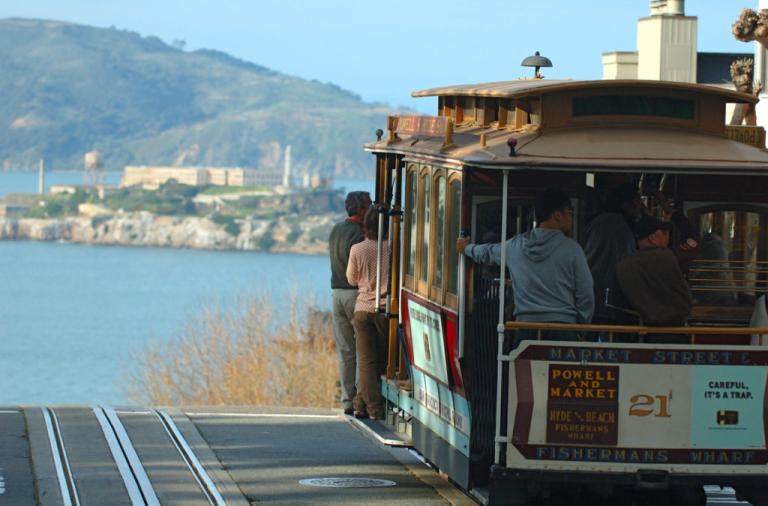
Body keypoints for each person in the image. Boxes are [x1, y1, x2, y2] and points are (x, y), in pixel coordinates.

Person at [457, 188, 594, 345]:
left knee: (522, 370)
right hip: (563, 330)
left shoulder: (516, 246)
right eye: (569, 213)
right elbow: (586, 294)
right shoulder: (573, 250)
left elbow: (487, 252)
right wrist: (581, 327)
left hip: (525, 329)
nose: (571, 219)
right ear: (557, 215)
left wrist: (466, 248)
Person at [328, 190, 371, 415]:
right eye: (369, 206)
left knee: (345, 352)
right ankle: (359, 401)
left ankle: (346, 400)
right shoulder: (359, 234)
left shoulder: (336, 229)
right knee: (362, 350)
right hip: (355, 295)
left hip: (336, 295)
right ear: (361, 210)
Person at [615, 215, 692, 333]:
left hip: (637, 332)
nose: (668, 237)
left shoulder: (623, 265)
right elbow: (694, 239)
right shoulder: (671, 257)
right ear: (652, 238)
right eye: (665, 233)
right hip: (674, 331)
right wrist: (676, 214)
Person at [346, 206, 389, 419]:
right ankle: (362, 404)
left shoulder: (357, 249)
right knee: (379, 359)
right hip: (385, 309)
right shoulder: (393, 249)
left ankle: (370, 408)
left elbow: (351, 279)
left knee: (365, 361)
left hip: (362, 308)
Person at [582, 183, 641, 322]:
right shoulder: (620, 226)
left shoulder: (595, 222)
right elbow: (627, 261)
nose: (640, 206)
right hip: (613, 298)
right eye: (638, 201)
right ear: (627, 204)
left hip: (591, 293)